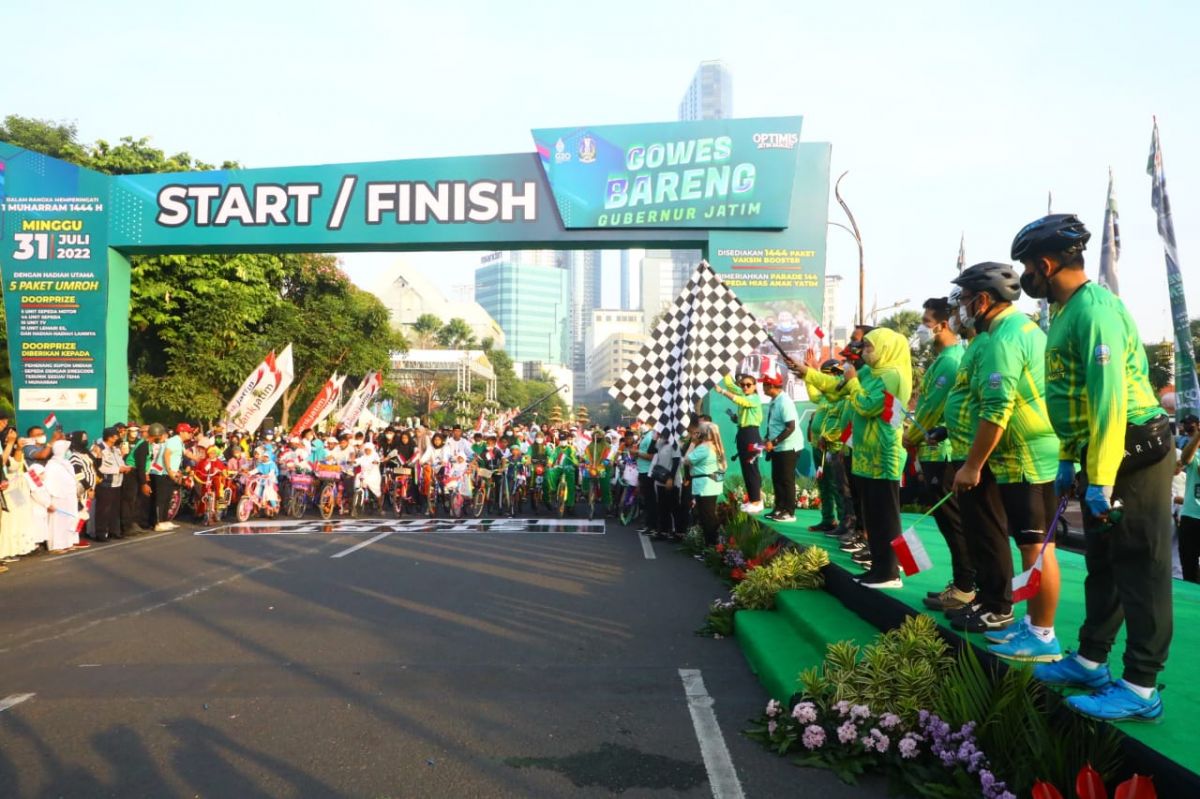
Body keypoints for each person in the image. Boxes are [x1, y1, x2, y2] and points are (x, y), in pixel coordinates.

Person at [1015, 214, 1174, 722]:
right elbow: (1072, 396)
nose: (1025, 277)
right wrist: (1068, 457)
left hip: (1133, 447)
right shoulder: (1063, 312)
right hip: (1098, 451)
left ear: (1045, 264)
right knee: (1102, 562)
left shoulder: (1096, 311)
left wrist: (1100, 478)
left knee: (1141, 567)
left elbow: (1109, 403)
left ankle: (1142, 687)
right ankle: (1090, 660)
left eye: (1027, 267)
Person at [949, 262, 1061, 644]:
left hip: (1026, 455)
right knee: (1036, 547)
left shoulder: (1004, 339)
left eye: (964, 300)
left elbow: (997, 408)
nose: (960, 308)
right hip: (1027, 453)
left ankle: (1039, 633)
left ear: (982, 300)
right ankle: (1031, 626)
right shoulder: (1022, 329)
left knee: (1034, 549)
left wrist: (972, 465)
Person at [799, 328, 912, 588]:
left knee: (886, 516)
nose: (865, 352)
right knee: (871, 514)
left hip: (883, 455)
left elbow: (867, 405)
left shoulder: (894, 376)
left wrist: (851, 381)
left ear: (886, 348)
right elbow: (836, 389)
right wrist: (808, 373)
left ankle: (890, 572)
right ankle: (878, 567)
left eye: (870, 346)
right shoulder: (869, 372)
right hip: (864, 454)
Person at [906, 297, 973, 612]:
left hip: (944, 453)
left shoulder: (950, 361)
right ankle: (961, 583)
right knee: (948, 523)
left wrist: (911, 436)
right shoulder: (942, 360)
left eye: (926, 322)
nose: (921, 328)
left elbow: (931, 408)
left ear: (943, 325)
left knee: (954, 522)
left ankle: (966, 587)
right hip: (935, 450)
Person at [713, 370, 765, 513]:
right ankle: (754, 499)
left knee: (751, 468)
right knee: (746, 469)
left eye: (748, 385)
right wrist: (723, 369)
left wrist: (722, 392)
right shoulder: (743, 393)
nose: (745, 387)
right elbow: (731, 385)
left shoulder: (754, 398)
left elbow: (738, 400)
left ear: (754, 386)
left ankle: (757, 501)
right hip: (743, 433)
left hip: (752, 435)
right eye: (743, 385)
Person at [761, 362, 804, 523]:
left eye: (765, 385)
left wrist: (774, 441)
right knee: (777, 478)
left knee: (786, 480)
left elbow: (790, 426)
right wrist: (767, 438)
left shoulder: (784, 401)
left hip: (788, 447)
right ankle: (779, 508)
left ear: (771, 386)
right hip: (778, 447)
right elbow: (774, 424)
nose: (763, 388)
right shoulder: (775, 400)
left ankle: (789, 512)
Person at [687, 422, 727, 546]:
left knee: (707, 517)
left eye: (699, 432)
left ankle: (711, 545)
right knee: (708, 515)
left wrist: (692, 443)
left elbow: (686, 460)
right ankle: (712, 544)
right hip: (711, 485)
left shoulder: (704, 447)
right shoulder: (716, 446)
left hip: (704, 486)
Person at [94, 426, 129, 540]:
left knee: (115, 509)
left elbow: (120, 462)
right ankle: (101, 533)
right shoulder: (99, 448)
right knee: (103, 510)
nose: (117, 438)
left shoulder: (115, 449)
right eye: (115, 436)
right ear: (109, 437)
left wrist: (125, 467)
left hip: (117, 483)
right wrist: (118, 470)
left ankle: (114, 531)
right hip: (105, 483)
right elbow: (99, 467)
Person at [649, 426, 682, 539]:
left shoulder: (674, 444)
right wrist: (655, 438)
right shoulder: (661, 442)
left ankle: (677, 532)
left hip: (671, 481)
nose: (661, 432)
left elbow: (676, 462)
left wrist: (670, 479)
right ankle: (663, 531)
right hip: (660, 480)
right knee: (662, 507)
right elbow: (650, 450)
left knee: (673, 507)